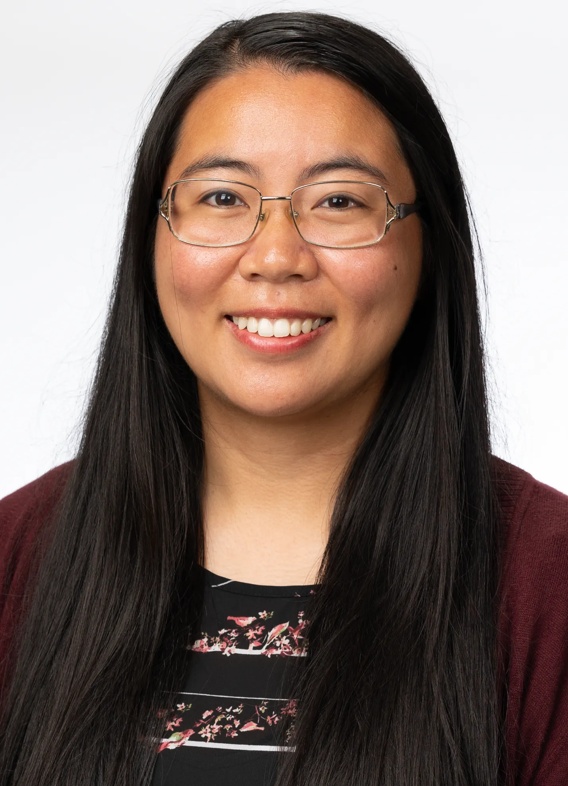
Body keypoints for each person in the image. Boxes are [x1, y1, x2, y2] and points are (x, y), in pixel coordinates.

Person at [1, 11, 567, 786]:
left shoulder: (550, 581)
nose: (275, 256)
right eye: (223, 198)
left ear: (426, 245)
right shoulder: (16, 556)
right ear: (153, 235)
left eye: (339, 201)